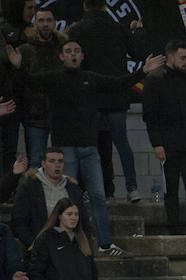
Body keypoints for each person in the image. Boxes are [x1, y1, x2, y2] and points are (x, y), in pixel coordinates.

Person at [7, 40, 164, 257]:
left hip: (89, 147)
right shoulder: (54, 78)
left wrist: (143, 71)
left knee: (98, 196)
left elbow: (118, 83)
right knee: (70, 199)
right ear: (61, 57)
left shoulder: (91, 78)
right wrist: (18, 66)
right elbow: (29, 81)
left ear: (82, 56)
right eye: (68, 51)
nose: (72, 55)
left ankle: (105, 244)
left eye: (77, 51)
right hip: (66, 148)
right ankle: (72, 243)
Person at [68, 0, 149, 203]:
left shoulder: (77, 30)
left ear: (85, 6)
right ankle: (132, 188)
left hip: (90, 95)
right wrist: (137, 32)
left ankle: (92, 190)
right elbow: (138, 52)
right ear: (105, 7)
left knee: (91, 145)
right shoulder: (118, 29)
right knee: (121, 143)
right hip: (116, 94)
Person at [142, 40, 186, 235]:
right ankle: (175, 228)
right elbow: (150, 116)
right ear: (170, 57)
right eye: (182, 57)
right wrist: (157, 143)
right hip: (167, 144)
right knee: (171, 188)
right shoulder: (154, 81)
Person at [11, 147, 92, 250]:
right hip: (40, 249)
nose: (57, 165)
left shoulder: (73, 188)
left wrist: (80, 246)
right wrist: (34, 245)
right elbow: (18, 221)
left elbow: (84, 221)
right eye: (52, 161)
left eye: (60, 161)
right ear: (43, 164)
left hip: (70, 248)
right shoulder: (29, 187)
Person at [17, 6, 63, 168]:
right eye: (41, 20)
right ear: (34, 24)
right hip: (34, 116)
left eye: (49, 20)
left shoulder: (63, 49)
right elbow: (19, 84)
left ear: (55, 23)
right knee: (36, 163)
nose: (45, 24)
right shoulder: (25, 51)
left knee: (64, 164)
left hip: (61, 115)